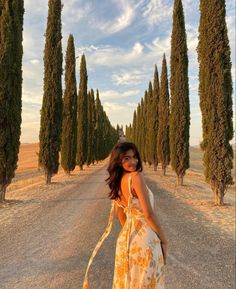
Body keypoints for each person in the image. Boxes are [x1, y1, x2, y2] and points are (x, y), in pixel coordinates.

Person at [83, 142, 167, 289]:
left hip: (125, 242)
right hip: (145, 241)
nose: (133, 162)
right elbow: (148, 214)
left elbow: (120, 215)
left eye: (134, 157)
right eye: (126, 158)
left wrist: (131, 230)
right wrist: (164, 241)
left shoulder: (117, 182)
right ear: (118, 160)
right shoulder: (135, 177)